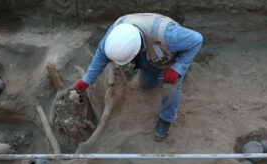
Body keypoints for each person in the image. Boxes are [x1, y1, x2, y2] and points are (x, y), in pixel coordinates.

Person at [75, 13, 203, 141]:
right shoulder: (113, 38)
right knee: (146, 85)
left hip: (168, 53)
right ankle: (151, 70)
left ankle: (166, 119)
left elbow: (197, 39)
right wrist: (87, 80)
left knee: (171, 85)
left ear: (137, 49)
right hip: (150, 55)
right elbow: (100, 57)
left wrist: (177, 68)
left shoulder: (170, 37)